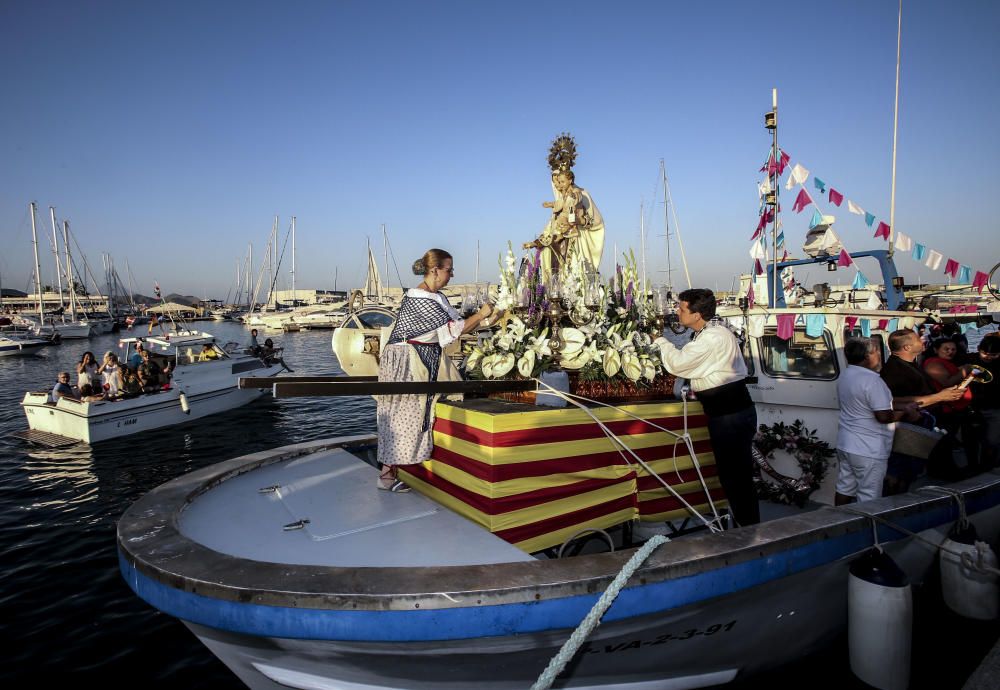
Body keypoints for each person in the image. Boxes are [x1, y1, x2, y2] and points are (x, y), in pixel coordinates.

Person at [376, 249, 494, 492]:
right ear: (434, 270)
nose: (451, 275)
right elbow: (456, 329)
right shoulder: (420, 299)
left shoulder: (436, 297)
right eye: (449, 270)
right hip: (406, 359)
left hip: (419, 357)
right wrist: (482, 314)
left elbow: (459, 324)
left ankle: (405, 467)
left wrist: (489, 316)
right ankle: (387, 474)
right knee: (402, 415)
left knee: (413, 413)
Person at [652, 288, 759, 526]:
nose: (677, 313)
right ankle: (745, 524)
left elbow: (680, 364)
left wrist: (660, 342)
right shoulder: (713, 332)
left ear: (697, 314)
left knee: (736, 477)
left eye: (682, 309)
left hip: (730, 416)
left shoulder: (712, 338)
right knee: (733, 474)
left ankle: (748, 531)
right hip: (726, 413)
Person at [834, 338, 920, 504]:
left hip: (846, 444)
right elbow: (884, 417)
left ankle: (838, 521)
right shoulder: (873, 381)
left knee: (844, 487)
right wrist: (905, 412)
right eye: (877, 352)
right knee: (869, 495)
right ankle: (867, 529)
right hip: (868, 449)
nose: (879, 356)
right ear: (867, 356)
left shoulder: (845, 375)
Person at [880, 329, 966, 490]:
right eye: (918, 339)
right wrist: (939, 397)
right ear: (906, 347)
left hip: (924, 424)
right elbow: (892, 401)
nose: (922, 339)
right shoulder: (894, 371)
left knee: (913, 470)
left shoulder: (911, 364)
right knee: (902, 471)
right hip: (909, 430)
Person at [970, 335, 1000, 468]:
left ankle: (989, 466)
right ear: (978, 349)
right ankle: (974, 466)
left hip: (994, 408)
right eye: (985, 353)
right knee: (972, 440)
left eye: (994, 354)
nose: (988, 357)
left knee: (992, 441)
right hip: (971, 408)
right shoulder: (969, 360)